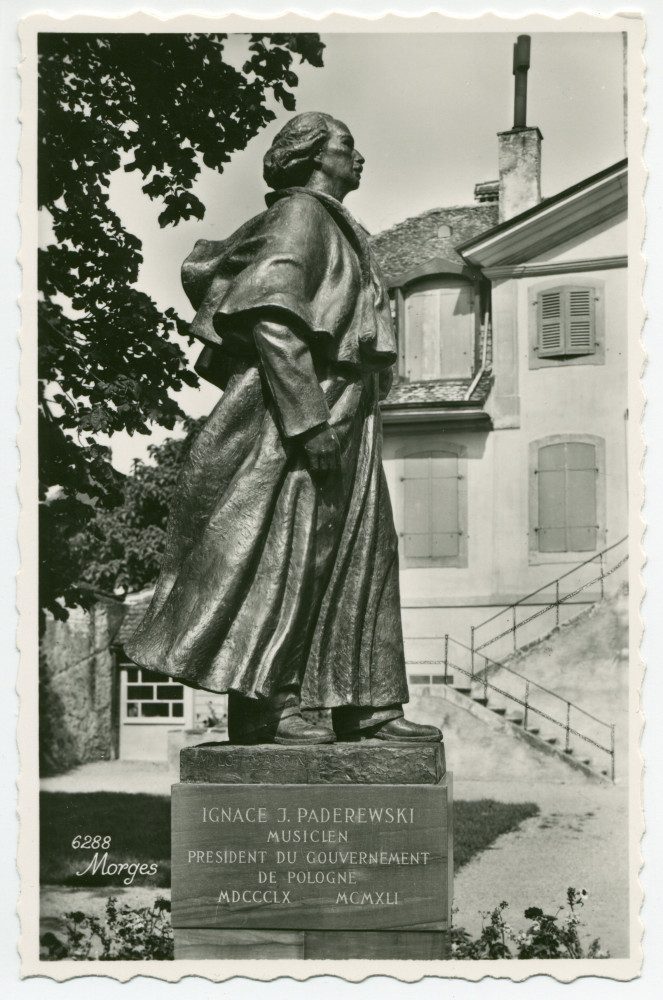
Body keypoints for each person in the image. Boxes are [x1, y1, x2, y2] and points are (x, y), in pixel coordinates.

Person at [126, 112, 442, 747]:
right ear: (311, 157)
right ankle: (269, 705)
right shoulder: (301, 215)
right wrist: (308, 422)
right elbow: (273, 318)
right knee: (291, 554)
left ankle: (365, 703)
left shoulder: (336, 223)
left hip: (348, 411)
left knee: (362, 552)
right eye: (346, 147)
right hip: (307, 416)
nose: (359, 158)